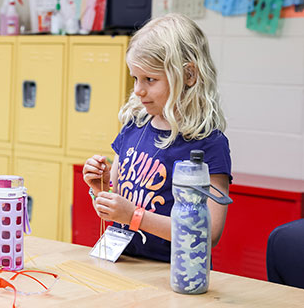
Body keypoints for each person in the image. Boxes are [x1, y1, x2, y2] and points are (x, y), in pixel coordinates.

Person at [82, 13, 232, 262]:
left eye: (150, 79)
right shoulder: (133, 125)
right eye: (135, 78)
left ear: (189, 75)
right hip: (124, 262)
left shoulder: (209, 144)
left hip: (176, 273)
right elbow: (119, 207)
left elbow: (209, 233)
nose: (139, 90)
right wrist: (101, 189)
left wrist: (135, 216)